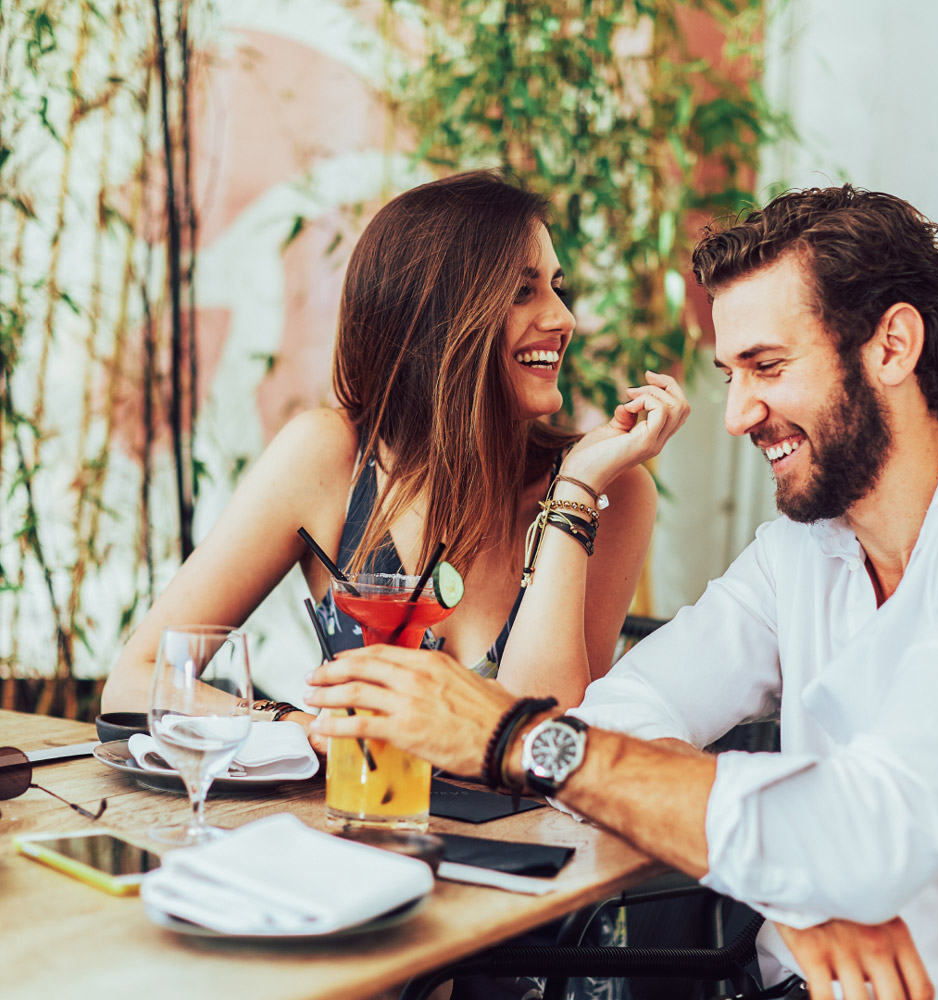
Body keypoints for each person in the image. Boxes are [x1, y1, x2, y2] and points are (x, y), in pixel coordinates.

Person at [306, 185, 938, 1000]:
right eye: (730, 374)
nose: (739, 414)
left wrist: (519, 740)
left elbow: (867, 832)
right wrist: (793, 866)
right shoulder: (800, 554)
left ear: (893, 347)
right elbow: (612, 714)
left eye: (767, 367)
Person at [102, 169, 690, 735]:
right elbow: (138, 679)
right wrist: (298, 726)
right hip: (355, 823)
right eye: (521, 291)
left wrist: (575, 495)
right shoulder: (331, 457)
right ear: (437, 315)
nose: (563, 318)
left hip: (520, 836)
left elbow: (547, 744)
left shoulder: (605, 491)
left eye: (557, 289)